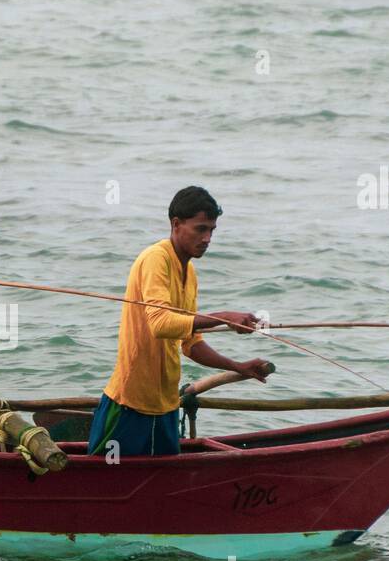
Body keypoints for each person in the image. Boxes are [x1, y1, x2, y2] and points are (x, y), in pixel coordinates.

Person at [88, 186, 272, 456]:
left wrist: (237, 367)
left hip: (166, 406)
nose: (207, 238)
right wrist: (222, 317)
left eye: (212, 230)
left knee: (163, 488)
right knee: (104, 484)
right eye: (200, 229)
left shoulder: (190, 272)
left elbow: (190, 343)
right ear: (176, 224)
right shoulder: (155, 259)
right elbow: (160, 324)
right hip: (129, 403)